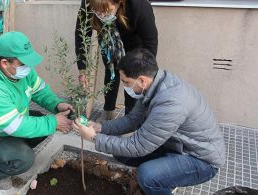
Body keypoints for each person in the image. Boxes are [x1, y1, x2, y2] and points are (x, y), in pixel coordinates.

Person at [73, 48, 226, 195]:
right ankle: (165, 177)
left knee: (147, 175)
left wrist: (93, 138)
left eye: (126, 82)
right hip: (177, 146)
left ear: (142, 80)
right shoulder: (154, 85)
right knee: (119, 151)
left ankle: (161, 181)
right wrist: (100, 128)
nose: (125, 86)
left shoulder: (171, 103)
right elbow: (133, 120)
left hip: (200, 160)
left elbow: (139, 146)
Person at [0, 32, 74, 189]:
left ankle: (11, 151)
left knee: (42, 125)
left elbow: (40, 91)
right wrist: (53, 122)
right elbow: (15, 126)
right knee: (25, 158)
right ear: (5, 63)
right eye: (23, 63)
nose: (29, 67)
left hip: (8, 123)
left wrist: (57, 105)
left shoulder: (21, 71)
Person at [75, 0, 158, 120]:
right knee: (111, 74)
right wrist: (82, 69)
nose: (101, 15)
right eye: (97, 11)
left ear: (119, 2)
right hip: (109, 42)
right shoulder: (89, 2)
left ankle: (131, 117)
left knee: (131, 80)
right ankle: (108, 111)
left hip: (134, 46)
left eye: (106, 10)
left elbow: (150, 43)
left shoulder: (139, 5)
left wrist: (145, 71)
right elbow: (81, 35)